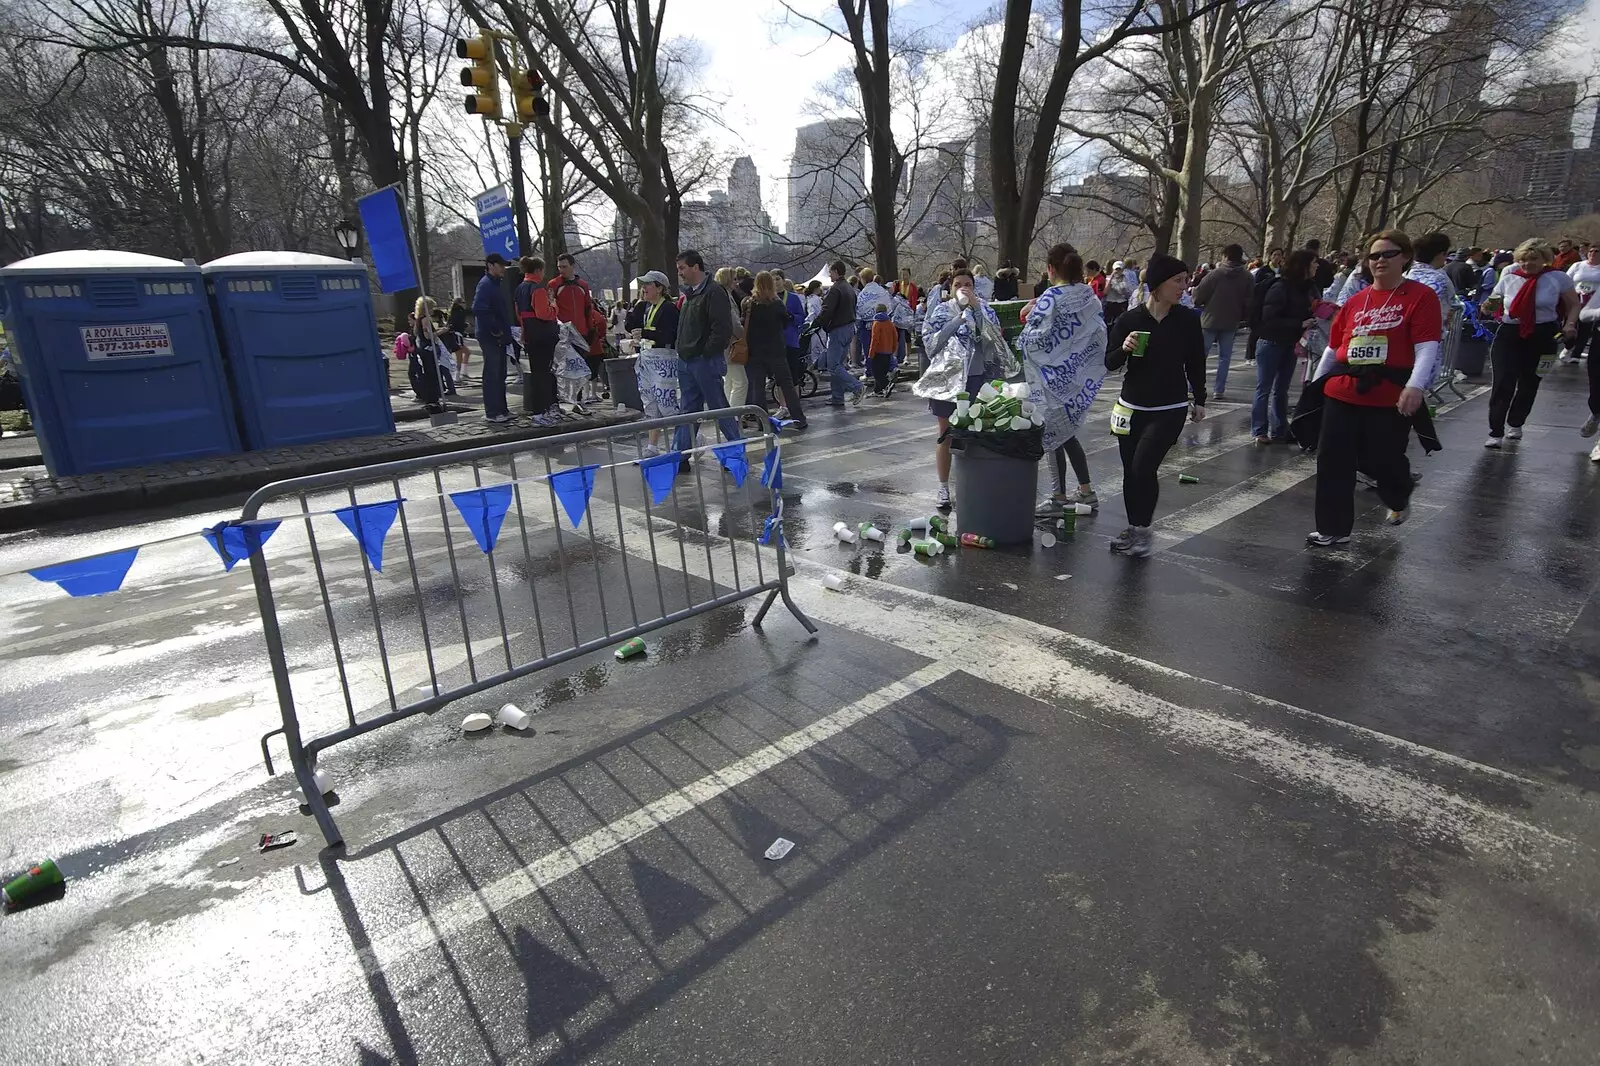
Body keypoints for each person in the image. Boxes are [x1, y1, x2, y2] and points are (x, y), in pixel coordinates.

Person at [1304, 230, 1441, 546]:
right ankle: (1332, 528)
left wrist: (1415, 386)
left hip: (1388, 392)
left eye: (1388, 254)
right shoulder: (1355, 301)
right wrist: (1316, 384)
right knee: (1332, 459)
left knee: (1381, 459)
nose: (1380, 261)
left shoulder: (1420, 297)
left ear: (1405, 257)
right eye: (1374, 255)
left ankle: (1398, 494)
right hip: (1343, 387)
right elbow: (1334, 346)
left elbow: (1426, 346)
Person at [1104, 254, 1206, 558]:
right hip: (1130, 407)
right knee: (1129, 472)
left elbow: (1196, 362)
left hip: (1168, 408)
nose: (1184, 287)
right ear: (1158, 285)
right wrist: (1124, 349)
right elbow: (1110, 363)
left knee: (1143, 467)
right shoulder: (1130, 319)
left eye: (1185, 280)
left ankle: (1145, 532)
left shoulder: (1187, 319)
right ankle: (1135, 528)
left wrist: (1199, 399)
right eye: (1178, 280)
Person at [1020, 242, 1107, 515]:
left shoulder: (1051, 297)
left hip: (1050, 378)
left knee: (1053, 435)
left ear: (1050, 269)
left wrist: (1028, 316)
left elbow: (1032, 338)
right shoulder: (1089, 296)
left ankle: (1058, 496)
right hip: (1078, 377)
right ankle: (1086, 490)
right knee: (1068, 434)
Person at [918, 266, 1008, 509]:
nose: (963, 289)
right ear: (950, 289)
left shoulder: (985, 310)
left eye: (967, 284)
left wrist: (976, 310)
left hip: (977, 379)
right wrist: (957, 319)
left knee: (977, 432)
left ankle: (975, 486)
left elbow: (994, 341)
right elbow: (931, 344)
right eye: (958, 285)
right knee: (946, 433)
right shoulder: (940, 311)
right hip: (947, 380)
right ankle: (944, 488)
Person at [1482, 238, 1579, 448]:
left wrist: (1570, 324)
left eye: (1534, 260)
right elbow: (1496, 299)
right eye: (1524, 260)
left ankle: (1516, 423)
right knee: (1503, 382)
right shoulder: (1509, 274)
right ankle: (1495, 431)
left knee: (1530, 381)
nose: (1528, 265)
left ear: (1544, 259)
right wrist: (1488, 305)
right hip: (1510, 332)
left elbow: (1573, 304)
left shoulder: (1557, 278)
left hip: (1543, 334)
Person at [672, 250, 741, 468]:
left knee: (718, 407)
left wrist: (707, 352)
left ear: (696, 267)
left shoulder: (713, 292)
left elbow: (722, 328)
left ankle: (736, 452)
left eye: (682, 268)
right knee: (688, 411)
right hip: (688, 359)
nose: (680, 273)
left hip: (703, 360)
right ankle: (680, 456)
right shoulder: (691, 294)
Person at [1252, 249, 1318, 445]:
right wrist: (1299, 323)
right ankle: (1259, 430)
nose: (1317, 266)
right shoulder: (1280, 286)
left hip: (1290, 343)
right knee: (1264, 388)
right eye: (1314, 262)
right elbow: (1270, 318)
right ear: (1303, 265)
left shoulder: (1307, 287)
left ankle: (1280, 429)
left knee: (1282, 389)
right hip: (1270, 341)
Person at [625, 269, 681, 453]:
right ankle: (652, 446)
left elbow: (670, 335)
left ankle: (692, 436)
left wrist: (646, 333)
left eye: (648, 284)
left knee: (666, 405)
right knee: (650, 403)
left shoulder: (669, 308)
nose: (644, 288)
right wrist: (637, 305)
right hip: (646, 358)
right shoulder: (645, 306)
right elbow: (629, 325)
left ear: (659, 288)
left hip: (664, 360)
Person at [744, 271, 808, 431]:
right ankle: (799, 418)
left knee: (757, 388)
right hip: (776, 349)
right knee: (787, 385)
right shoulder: (777, 303)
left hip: (756, 350)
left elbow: (745, 323)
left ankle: (762, 422)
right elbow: (786, 321)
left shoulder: (749, 303)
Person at [1192, 243, 1252, 400]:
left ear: (1225, 256)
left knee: (1200, 355)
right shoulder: (1247, 276)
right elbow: (1249, 300)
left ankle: (1193, 387)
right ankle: (1219, 389)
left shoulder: (1215, 274)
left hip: (1210, 318)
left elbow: (1199, 295)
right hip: (1232, 320)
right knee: (1225, 358)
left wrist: (1199, 302)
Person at [515, 256, 562, 424]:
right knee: (544, 374)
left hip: (529, 333)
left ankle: (539, 411)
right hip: (543, 334)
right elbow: (543, 313)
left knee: (536, 373)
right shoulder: (537, 289)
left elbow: (519, 313)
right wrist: (554, 307)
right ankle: (541, 411)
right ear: (538, 270)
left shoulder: (519, 288)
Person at [472, 253, 514, 424]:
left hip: (497, 335)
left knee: (500, 373)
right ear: (490, 265)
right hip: (490, 336)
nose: (503, 268)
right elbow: (479, 308)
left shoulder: (494, 284)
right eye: (500, 265)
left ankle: (502, 409)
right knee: (492, 373)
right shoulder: (486, 285)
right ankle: (492, 411)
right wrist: (495, 329)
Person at [818, 261, 866, 407]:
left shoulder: (835, 289)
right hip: (849, 328)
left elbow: (827, 309)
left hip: (838, 329)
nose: (830, 275)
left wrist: (818, 323)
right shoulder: (849, 288)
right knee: (839, 365)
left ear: (836, 271)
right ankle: (837, 397)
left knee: (833, 366)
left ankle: (857, 387)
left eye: (831, 272)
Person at [713, 267, 750, 410]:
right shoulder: (726, 297)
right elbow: (733, 323)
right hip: (731, 346)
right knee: (741, 382)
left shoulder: (719, 295)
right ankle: (733, 416)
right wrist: (744, 336)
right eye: (734, 279)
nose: (736, 282)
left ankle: (726, 413)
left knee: (728, 381)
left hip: (723, 346)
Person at [1244, 246, 1284, 365]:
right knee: (1256, 330)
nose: (1277, 257)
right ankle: (1250, 356)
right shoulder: (1263, 271)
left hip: (1277, 303)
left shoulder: (1283, 270)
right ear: (1270, 256)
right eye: (1274, 255)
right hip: (1262, 303)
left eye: (1279, 255)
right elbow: (1256, 287)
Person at [772, 269, 808, 400]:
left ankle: (795, 403)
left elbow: (801, 317)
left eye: (778, 279)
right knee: (779, 377)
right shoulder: (768, 298)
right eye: (773, 279)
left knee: (793, 375)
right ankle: (783, 405)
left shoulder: (793, 298)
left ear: (783, 280)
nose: (775, 282)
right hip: (774, 342)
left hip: (791, 340)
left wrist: (791, 316)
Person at [1406, 232, 1458, 316]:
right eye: (1445, 254)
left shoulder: (1404, 275)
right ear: (1440, 254)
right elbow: (1453, 305)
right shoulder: (1441, 279)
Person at [1564, 244, 1600, 365]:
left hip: (1592, 301)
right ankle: (1567, 346)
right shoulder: (1578, 265)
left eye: (1596, 251)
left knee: (1585, 328)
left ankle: (1576, 354)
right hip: (1575, 299)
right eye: (1591, 251)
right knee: (1570, 324)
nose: (1593, 253)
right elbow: (1566, 280)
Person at [867, 303, 900, 397]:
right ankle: (878, 391)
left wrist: (871, 353)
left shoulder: (876, 323)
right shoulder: (890, 323)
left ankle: (887, 384)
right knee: (883, 371)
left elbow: (875, 339)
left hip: (878, 352)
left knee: (877, 373)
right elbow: (895, 337)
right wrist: (893, 349)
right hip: (888, 351)